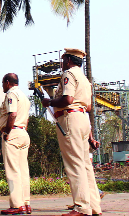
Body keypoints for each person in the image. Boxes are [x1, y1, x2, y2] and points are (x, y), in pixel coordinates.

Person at [42, 48, 101, 216]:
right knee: (85, 164)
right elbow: (88, 106)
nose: (62, 63)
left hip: (70, 118)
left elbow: (67, 99)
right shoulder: (84, 79)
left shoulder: (68, 74)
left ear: (68, 60)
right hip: (82, 118)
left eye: (63, 60)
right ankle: (94, 206)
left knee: (74, 163)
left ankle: (81, 207)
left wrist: (50, 101)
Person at [0, 74, 32, 215]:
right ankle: (26, 203)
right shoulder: (24, 96)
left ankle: (16, 205)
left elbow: (12, 114)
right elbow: (27, 119)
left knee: (12, 170)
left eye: (3, 83)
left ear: (8, 82)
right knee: (23, 170)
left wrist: (7, 132)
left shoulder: (11, 94)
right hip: (23, 132)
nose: (2, 86)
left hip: (13, 133)